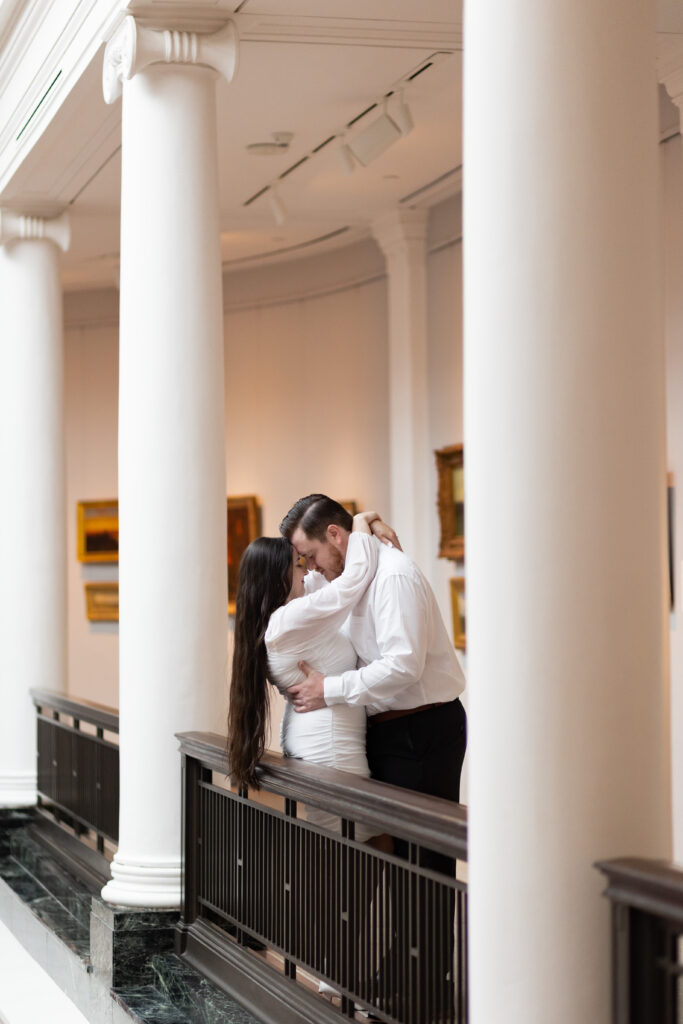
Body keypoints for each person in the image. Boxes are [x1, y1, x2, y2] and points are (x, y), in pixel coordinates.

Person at [280, 493, 467, 1019]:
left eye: (310, 553)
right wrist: (365, 519)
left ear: (335, 539)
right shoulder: (351, 573)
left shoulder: (395, 578)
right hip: (385, 730)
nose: (309, 567)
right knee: (391, 857)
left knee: (425, 861)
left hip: (424, 727)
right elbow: (313, 590)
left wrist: (330, 690)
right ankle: (398, 971)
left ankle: (428, 986)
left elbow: (404, 666)